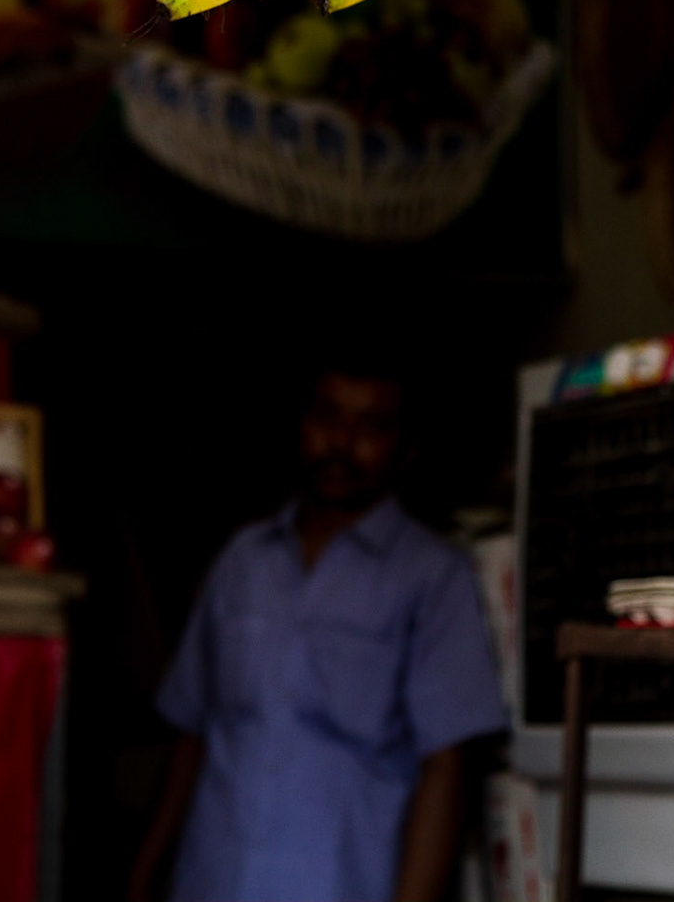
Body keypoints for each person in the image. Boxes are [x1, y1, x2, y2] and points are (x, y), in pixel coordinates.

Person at [127, 367, 507, 902]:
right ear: (302, 425)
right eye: (328, 416)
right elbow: (193, 731)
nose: (342, 443)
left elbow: (445, 767)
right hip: (211, 881)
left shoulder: (432, 577)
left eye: (371, 426)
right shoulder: (242, 562)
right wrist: (143, 875)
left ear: (406, 450)